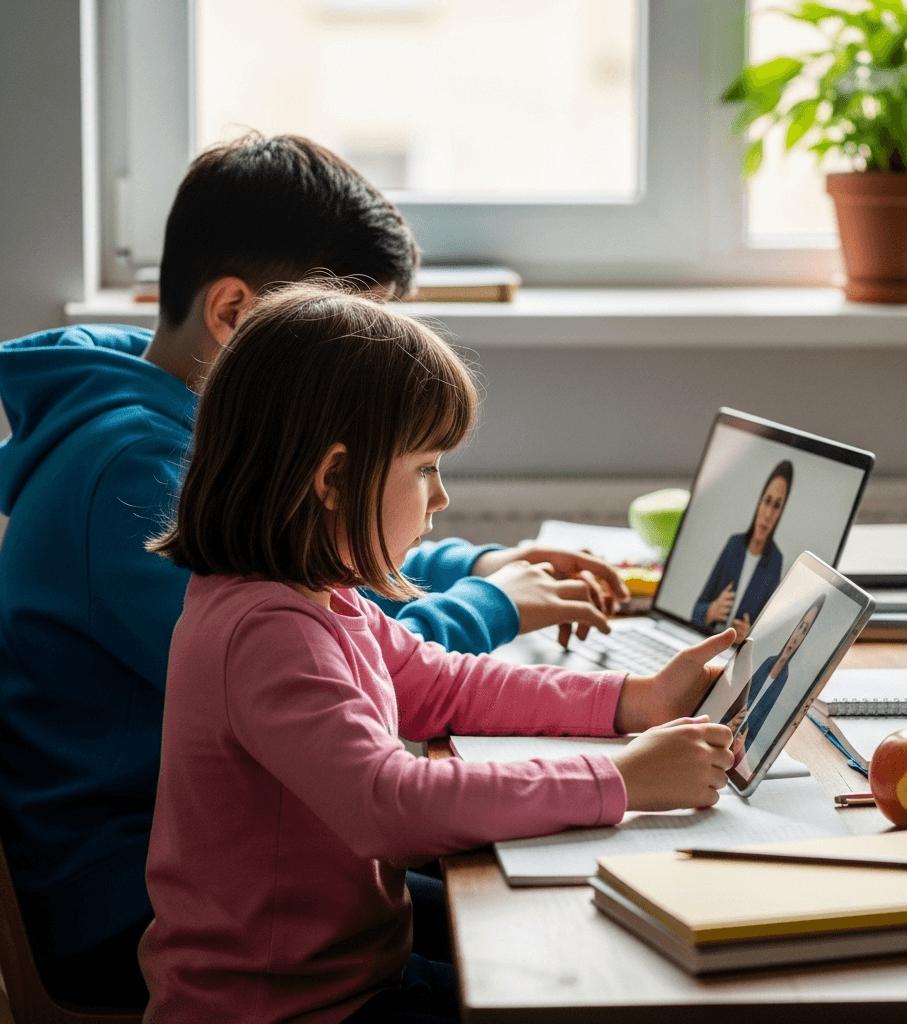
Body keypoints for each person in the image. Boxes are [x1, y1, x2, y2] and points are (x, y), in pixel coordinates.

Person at [0, 134, 626, 1007]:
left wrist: (471, 560)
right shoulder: (131, 476)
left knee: (528, 893)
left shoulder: (171, 415)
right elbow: (322, 647)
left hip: (250, 848)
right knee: (535, 922)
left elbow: (318, 565)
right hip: (143, 899)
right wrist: (490, 605)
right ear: (234, 315)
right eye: (340, 344)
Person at [138, 282, 736, 1023]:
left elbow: (438, 685)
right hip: (288, 1009)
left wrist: (628, 702)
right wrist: (622, 779)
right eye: (425, 467)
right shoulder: (266, 632)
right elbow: (389, 803)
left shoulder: (320, 594)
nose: (440, 497)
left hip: (341, 969)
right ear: (333, 479)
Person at [691, 460, 794, 643]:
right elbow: (696, 611)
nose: (768, 514)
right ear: (759, 503)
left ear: (781, 512)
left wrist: (750, 636)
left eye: (777, 506)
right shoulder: (734, 544)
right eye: (767, 501)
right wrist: (710, 612)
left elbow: (767, 636)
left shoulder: (775, 561)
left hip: (735, 658)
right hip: (706, 644)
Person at [727, 594, 826, 768]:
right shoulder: (766, 661)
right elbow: (736, 700)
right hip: (724, 736)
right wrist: (731, 722)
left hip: (739, 754)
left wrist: (742, 748)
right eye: (800, 627)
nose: (798, 635)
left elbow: (760, 730)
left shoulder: (784, 680)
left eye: (805, 631)